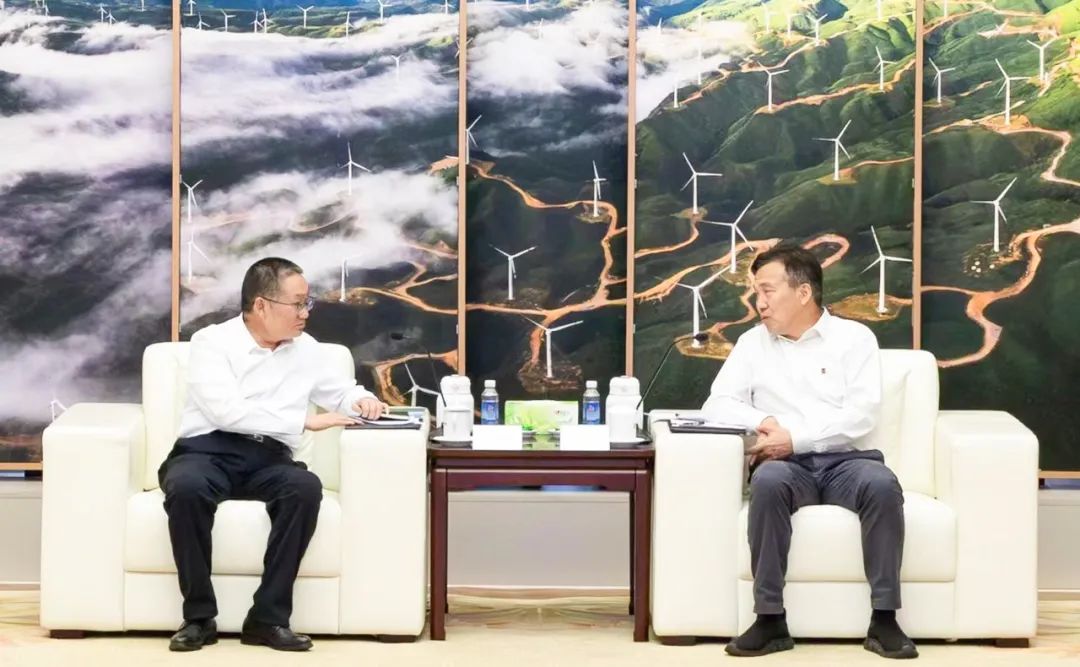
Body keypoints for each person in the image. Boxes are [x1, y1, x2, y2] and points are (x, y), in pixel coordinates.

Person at [160, 257, 386, 652]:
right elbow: (225, 412)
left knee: (304, 488)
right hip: (207, 451)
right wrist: (304, 421)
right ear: (261, 305)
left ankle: (267, 619)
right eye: (297, 304)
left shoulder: (306, 349)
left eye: (307, 303)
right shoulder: (212, 343)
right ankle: (198, 618)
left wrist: (362, 400)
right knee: (186, 488)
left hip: (269, 457)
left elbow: (339, 391)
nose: (305, 313)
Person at [702, 245, 916, 660]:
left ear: (803, 293)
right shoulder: (752, 343)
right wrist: (764, 420)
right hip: (784, 466)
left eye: (767, 291)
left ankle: (885, 619)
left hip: (846, 462)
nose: (758, 302)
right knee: (766, 482)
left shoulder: (854, 339)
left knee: (882, 485)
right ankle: (770, 620)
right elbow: (717, 403)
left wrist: (795, 438)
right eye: (756, 292)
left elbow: (861, 415)